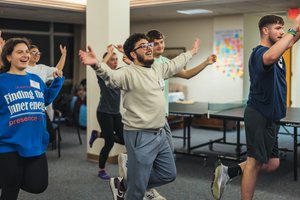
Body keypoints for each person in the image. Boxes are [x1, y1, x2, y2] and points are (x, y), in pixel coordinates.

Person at [79, 33, 200, 200]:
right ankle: (133, 185)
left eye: (148, 45)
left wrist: (192, 52)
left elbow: (174, 64)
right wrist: (97, 65)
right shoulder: (128, 73)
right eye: (143, 46)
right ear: (133, 54)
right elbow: (111, 76)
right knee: (136, 193)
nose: (149, 48)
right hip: (140, 135)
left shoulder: (157, 68)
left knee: (168, 174)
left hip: (160, 133)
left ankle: (125, 184)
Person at [117, 30, 217, 200]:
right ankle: (138, 184)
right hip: (144, 123)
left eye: (162, 42)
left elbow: (186, 74)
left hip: (162, 119)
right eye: (155, 43)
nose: (160, 46)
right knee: (147, 161)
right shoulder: (140, 64)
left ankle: (133, 183)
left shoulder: (164, 62)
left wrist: (205, 63)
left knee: (166, 160)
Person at [211, 14, 300, 200]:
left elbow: (289, 43)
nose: (282, 31)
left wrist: (297, 30)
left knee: (273, 163)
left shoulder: (278, 50)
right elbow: (272, 55)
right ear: (265, 30)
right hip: (259, 114)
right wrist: (294, 28)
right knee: (254, 163)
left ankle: (229, 171)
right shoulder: (260, 53)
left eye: (283, 28)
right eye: (278, 28)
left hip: (273, 116)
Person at [0, 37, 64, 200]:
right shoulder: (2, 81)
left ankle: (6, 178)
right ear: (8, 57)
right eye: (20, 52)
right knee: (10, 191)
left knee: (38, 185)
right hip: (8, 145)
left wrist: (57, 81)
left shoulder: (35, 79)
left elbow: (46, 98)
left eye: (27, 52)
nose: (26, 55)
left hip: (34, 143)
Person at [88, 45, 125, 180]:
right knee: (109, 143)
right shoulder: (102, 75)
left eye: (116, 59)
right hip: (104, 112)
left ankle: (97, 134)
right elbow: (100, 65)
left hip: (115, 113)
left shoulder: (119, 73)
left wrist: (123, 53)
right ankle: (101, 170)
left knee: (123, 139)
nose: (115, 61)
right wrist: (109, 53)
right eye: (112, 59)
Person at [26, 44, 67, 142]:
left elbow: (57, 71)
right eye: (33, 52)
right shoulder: (22, 68)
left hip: (42, 104)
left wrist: (63, 55)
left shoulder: (42, 68)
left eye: (38, 53)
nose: (37, 55)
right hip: (28, 105)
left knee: (49, 135)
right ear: (27, 54)